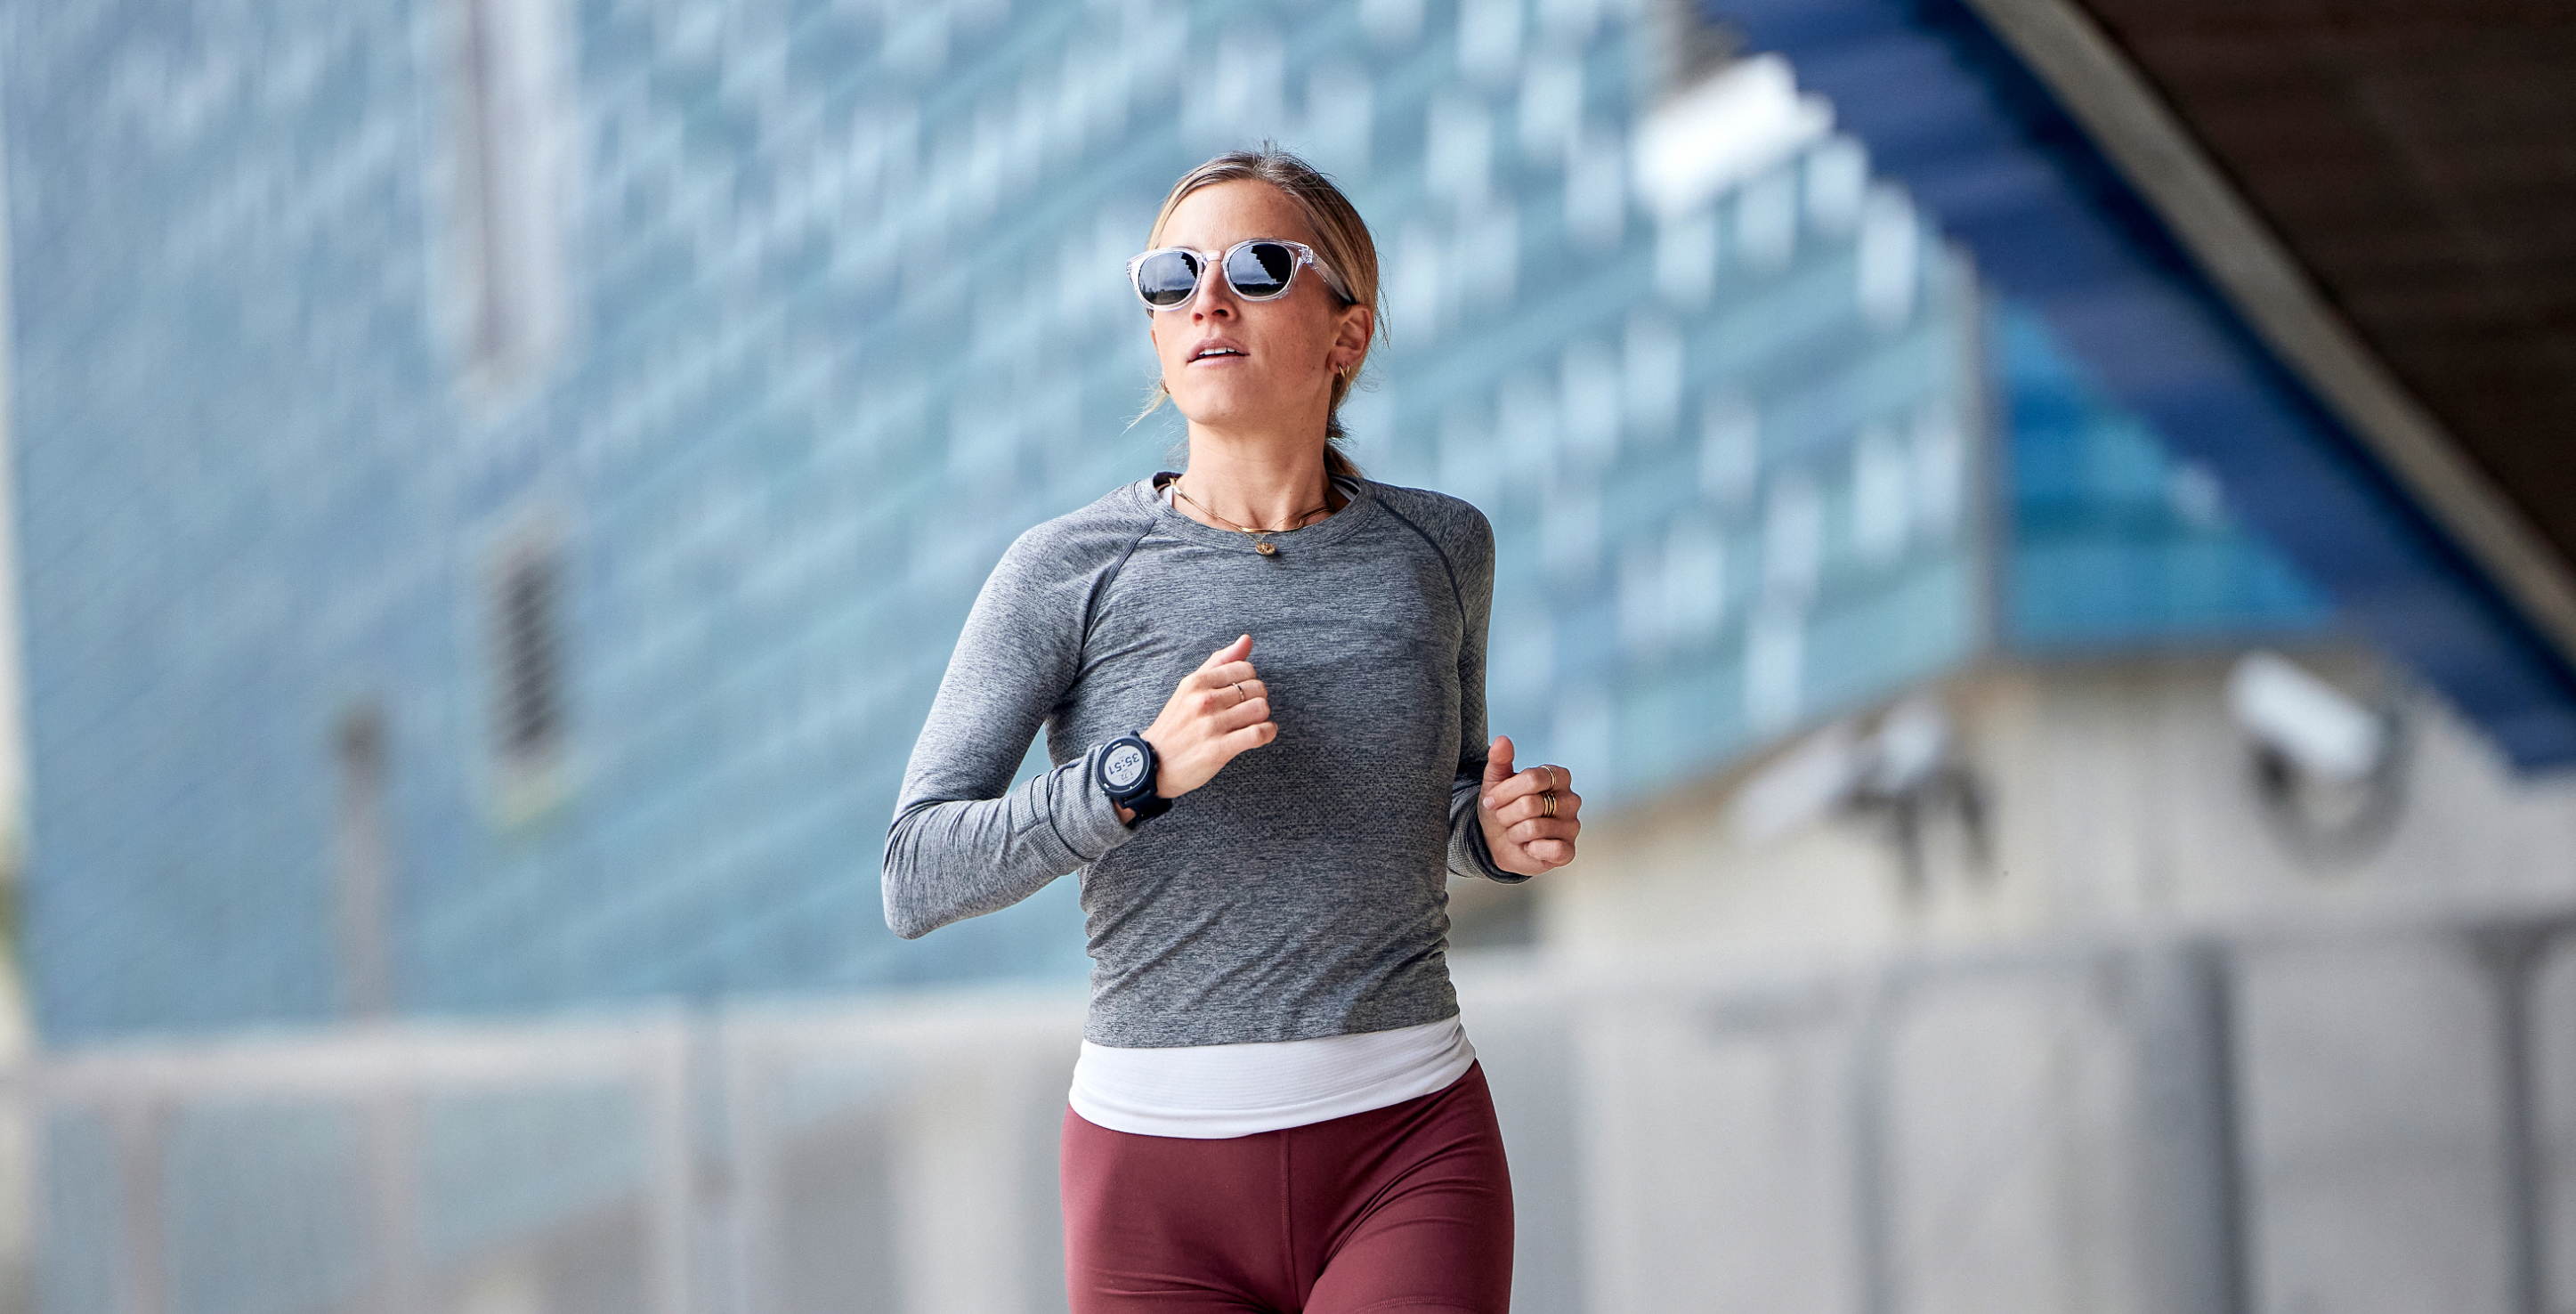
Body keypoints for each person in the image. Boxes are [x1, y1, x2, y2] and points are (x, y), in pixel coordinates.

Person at [884, 146, 1583, 1314]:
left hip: (1407, 1139)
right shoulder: (1064, 572)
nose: (1207, 298)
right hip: (1155, 1177)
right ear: (1155, 332)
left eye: (1259, 268)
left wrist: (1496, 832)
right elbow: (913, 873)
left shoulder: (1441, 550)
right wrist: (1132, 773)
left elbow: (1439, 802)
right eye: (1172, 276)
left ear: (1345, 336)